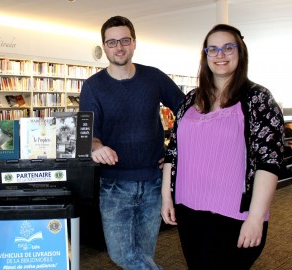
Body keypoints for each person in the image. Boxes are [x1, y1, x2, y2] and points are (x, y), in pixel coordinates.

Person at [161, 24, 284, 270]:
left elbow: (269, 161)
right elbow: (173, 152)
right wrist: (166, 197)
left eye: (228, 47)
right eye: (213, 49)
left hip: (234, 215)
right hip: (189, 209)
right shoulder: (190, 100)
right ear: (205, 56)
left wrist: (256, 217)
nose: (221, 55)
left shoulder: (258, 99)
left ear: (240, 52)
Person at [79, 15, 185, 269]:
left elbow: (186, 111)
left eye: (124, 40)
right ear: (104, 46)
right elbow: (88, 136)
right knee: (122, 254)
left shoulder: (154, 78)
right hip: (114, 185)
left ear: (134, 43)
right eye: (112, 42)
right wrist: (96, 147)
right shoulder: (93, 87)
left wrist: (174, 152)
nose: (119, 47)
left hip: (153, 182)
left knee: (143, 255)